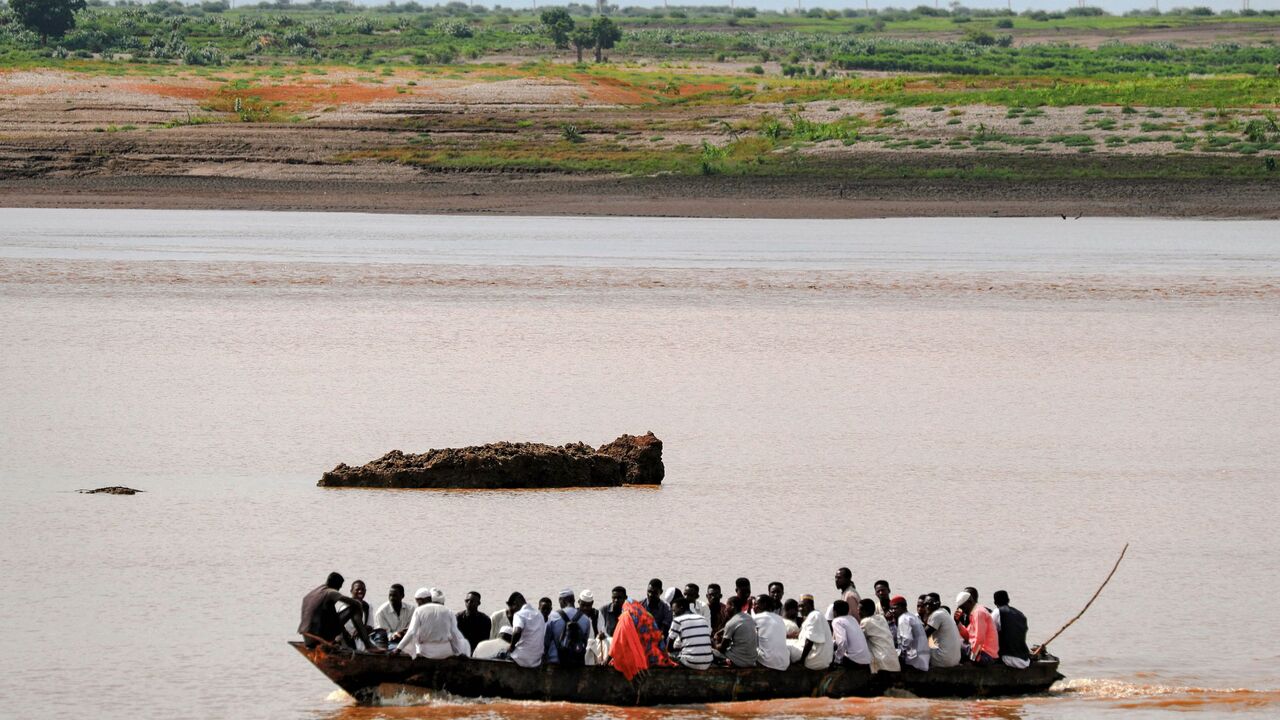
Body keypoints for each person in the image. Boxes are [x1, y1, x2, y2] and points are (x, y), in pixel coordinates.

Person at [298, 572, 376, 650]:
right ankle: (368, 645)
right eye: (339, 587)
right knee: (354, 608)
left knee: (332, 613)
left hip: (306, 637)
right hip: (319, 636)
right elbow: (356, 603)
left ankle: (342, 644)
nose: (339, 590)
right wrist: (360, 612)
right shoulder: (331, 592)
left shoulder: (314, 592)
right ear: (337, 585)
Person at [394, 588, 470, 659]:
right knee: (464, 641)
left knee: (409, 639)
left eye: (417, 601)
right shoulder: (449, 611)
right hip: (445, 652)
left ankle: (418, 654)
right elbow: (453, 633)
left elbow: (411, 632)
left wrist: (398, 650)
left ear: (420, 600)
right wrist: (458, 653)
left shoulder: (419, 610)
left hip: (426, 653)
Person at [545, 588, 593, 666]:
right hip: (577, 664)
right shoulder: (585, 619)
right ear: (574, 600)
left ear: (562, 601)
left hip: (556, 663)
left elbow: (546, 642)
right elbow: (585, 642)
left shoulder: (553, 616)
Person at [787, 595, 833, 671]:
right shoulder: (816, 614)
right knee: (788, 641)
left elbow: (809, 641)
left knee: (784, 645)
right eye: (799, 607)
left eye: (803, 606)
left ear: (811, 606)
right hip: (822, 658)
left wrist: (801, 661)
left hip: (815, 660)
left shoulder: (814, 616)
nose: (800, 609)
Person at [668, 594, 714, 670]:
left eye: (674, 610)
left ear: (681, 608)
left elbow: (669, 648)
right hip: (708, 662)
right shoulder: (702, 618)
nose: (673, 614)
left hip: (690, 662)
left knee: (667, 655)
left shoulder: (677, 620)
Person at [955, 591, 999, 665]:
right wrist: (957, 622)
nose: (962, 610)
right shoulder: (974, 612)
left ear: (970, 602)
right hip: (983, 653)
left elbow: (980, 639)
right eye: (960, 608)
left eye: (963, 607)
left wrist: (973, 658)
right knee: (958, 642)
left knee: (955, 643)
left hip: (986, 655)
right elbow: (967, 636)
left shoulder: (978, 613)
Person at [858, 598, 900, 674]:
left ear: (865, 611)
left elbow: (858, 639)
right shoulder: (881, 618)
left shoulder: (865, 622)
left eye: (859, 609)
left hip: (881, 660)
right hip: (892, 657)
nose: (858, 612)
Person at [506, 592, 547, 668]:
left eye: (512, 608)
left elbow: (517, 631)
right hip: (537, 660)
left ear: (515, 603)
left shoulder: (519, 614)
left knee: (500, 653)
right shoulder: (539, 614)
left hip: (521, 658)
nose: (513, 611)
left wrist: (511, 647)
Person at [992, 590, 1031, 669]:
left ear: (995, 602)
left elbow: (989, 633)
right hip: (1025, 660)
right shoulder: (1021, 614)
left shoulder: (997, 612)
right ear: (1008, 600)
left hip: (1008, 658)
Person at [713, 599, 757, 667]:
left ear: (732, 606)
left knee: (711, 651)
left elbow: (722, 648)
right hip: (751, 660)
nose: (725, 610)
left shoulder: (731, 623)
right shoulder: (748, 617)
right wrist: (719, 632)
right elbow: (736, 626)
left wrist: (715, 642)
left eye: (727, 606)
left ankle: (726, 662)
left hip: (738, 661)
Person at [890, 595, 930, 672]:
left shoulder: (903, 618)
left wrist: (898, 655)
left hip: (914, 662)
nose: (892, 611)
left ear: (902, 607)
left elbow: (906, 641)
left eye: (894, 608)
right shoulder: (912, 616)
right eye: (891, 609)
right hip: (923, 660)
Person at [751, 595, 790, 670]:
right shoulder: (780, 618)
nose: (754, 607)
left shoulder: (757, 618)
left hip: (768, 661)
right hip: (784, 662)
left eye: (756, 604)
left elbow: (746, 623)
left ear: (764, 604)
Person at [923, 593, 962, 668]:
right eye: (925, 604)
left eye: (930, 604)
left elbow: (924, 635)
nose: (927, 606)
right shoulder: (944, 612)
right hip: (955, 660)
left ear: (939, 604)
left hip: (943, 661)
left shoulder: (937, 615)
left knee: (919, 645)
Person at [830, 599, 872, 667]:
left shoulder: (836, 621)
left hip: (855, 660)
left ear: (834, 612)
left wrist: (837, 660)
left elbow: (842, 642)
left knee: (829, 656)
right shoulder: (852, 619)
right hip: (867, 659)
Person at [456, 591, 491, 655]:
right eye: (467, 601)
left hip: (478, 652)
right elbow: (455, 637)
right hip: (461, 652)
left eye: (472, 601)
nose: (469, 603)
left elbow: (484, 641)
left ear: (479, 603)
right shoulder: (458, 618)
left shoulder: (485, 620)